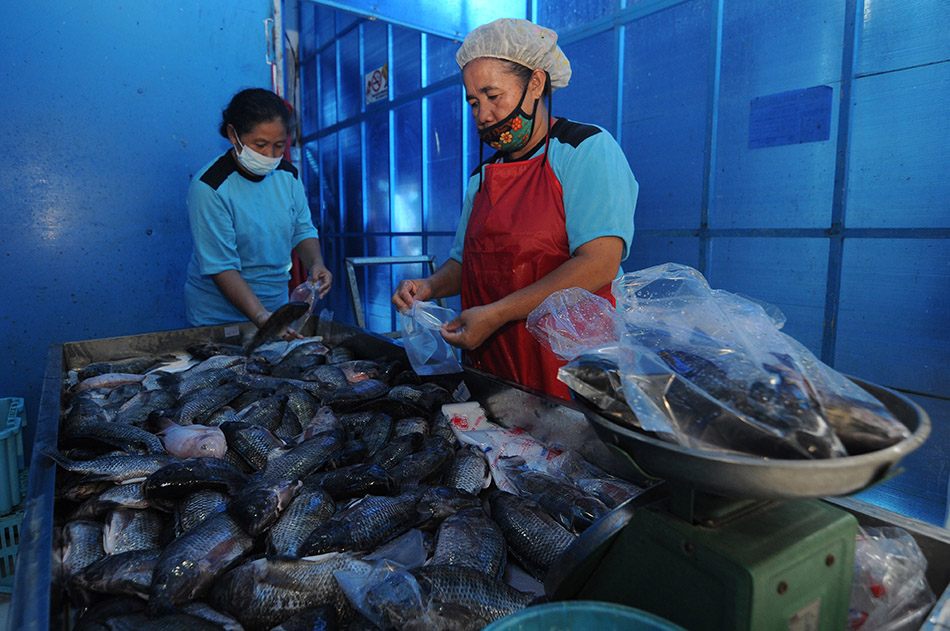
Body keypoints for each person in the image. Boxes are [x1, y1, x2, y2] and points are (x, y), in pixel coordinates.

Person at [391, 18, 638, 398]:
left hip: (568, 368)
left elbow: (599, 263)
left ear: (536, 84)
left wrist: (497, 314)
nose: (483, 115)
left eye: (493, 95)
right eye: (474, 102)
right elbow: (464, 263)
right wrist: (428, 286)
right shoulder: (482, 177)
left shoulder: (584, 149)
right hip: (494, 366)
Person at [184, 88, 332, 338]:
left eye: (278, 146)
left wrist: (316, 263)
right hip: (219, 318)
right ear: (233, 134)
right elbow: (222, 267)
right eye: (260, 145)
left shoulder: (288, 175)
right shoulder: (210, 187)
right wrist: (260, 316)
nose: (270, 156)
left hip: (275, 309)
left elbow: (302, 229)